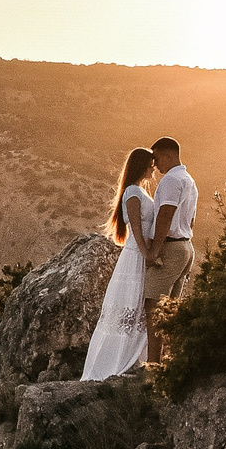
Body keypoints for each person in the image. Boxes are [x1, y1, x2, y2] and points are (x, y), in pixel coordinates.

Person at [80, 146, 159, 380]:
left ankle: (133, 357)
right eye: (151, 163)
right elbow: (135, 228)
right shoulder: (133, 192)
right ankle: (115, 361)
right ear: (142, 165)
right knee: (129, 305)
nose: (153, 167)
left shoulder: (139, 192)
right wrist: (147, 254)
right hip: (135, 256)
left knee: (137, 308)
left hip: (140, 254)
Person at [142, 135, 198, 363]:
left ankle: (153, 363)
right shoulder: (188, 179)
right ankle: (171, 361)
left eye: (156, 158)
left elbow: (165, 214)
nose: (154, 164)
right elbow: (192, 219)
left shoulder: (171, 181)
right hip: (186, 247)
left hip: (172, 249)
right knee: (170, 309)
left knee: (153, 305)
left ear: (168, 155)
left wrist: (154, 251)